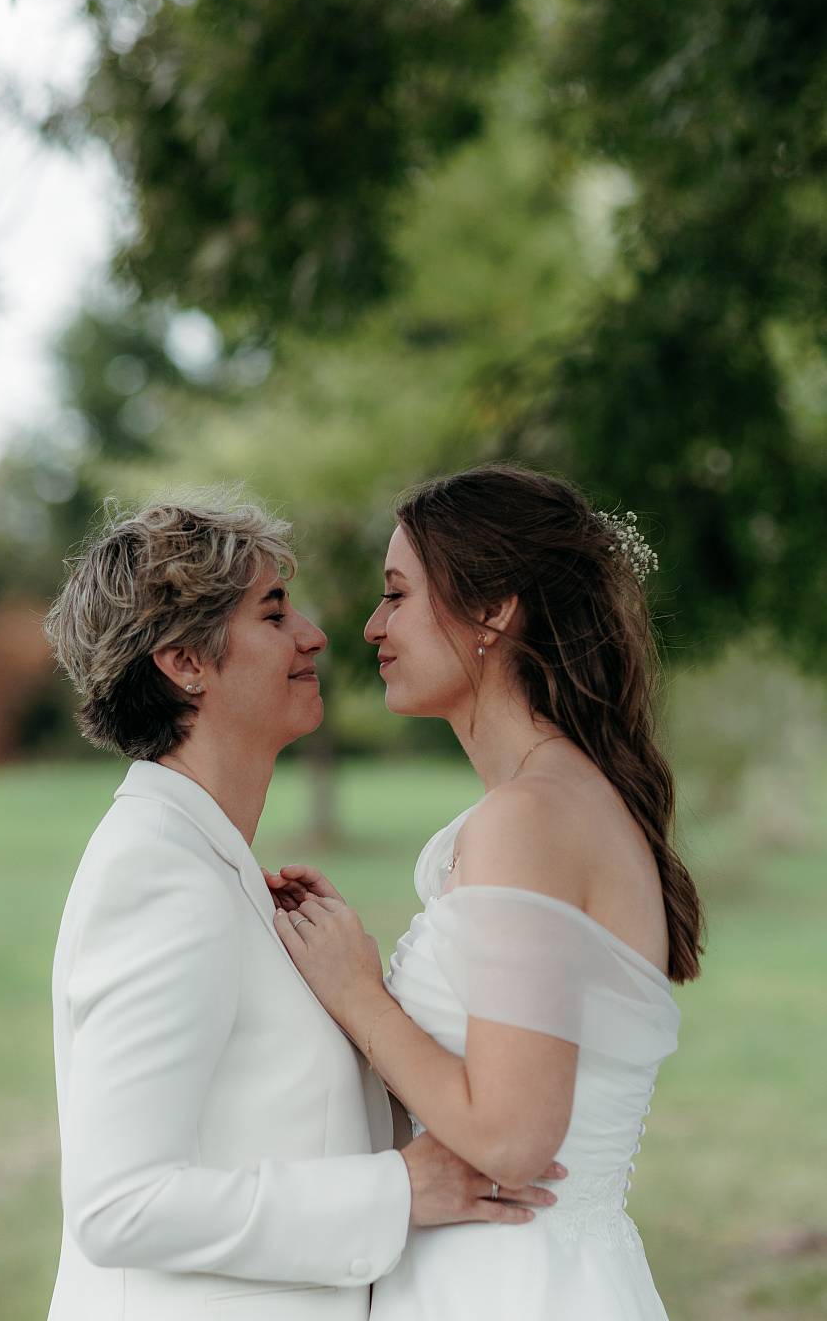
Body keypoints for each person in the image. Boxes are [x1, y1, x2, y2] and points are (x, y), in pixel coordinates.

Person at [42, 492, 565, 1321]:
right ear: (185, 663)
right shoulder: (158, 879)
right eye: (274, 613)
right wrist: (396, 1191)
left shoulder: (218, 869)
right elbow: (118, 1206)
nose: (316, 635)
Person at [265, 463, 704, 1321]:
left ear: (493, 611)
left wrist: (358, 991)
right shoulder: (555, 803)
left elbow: (512, 1137)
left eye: (397, 594)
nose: (370, 625)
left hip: (512, 1286)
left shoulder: (530, 819)